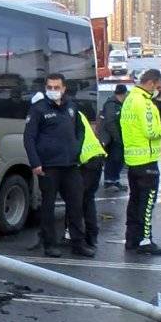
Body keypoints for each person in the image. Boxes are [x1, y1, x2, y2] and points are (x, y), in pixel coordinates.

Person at [24, 73, 94, 258]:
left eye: (56, 87)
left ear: (64, 89)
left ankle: (78, 243)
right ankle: (50, 244)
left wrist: (77, 149)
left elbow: (80, 130)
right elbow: (29, 137)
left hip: (70, 165)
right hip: (49, 166)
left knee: (76, 205)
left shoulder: (71, 106)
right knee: (48, 206)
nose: (53, 90)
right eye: (50, 87)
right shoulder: (38, 109)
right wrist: (35, 162)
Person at [120, 69, 161, 256]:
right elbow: (151, 132)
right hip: (147, 160)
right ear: (151, 83)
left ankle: (131, 239)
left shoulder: (130, 99)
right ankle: (145, 240)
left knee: (134, 201)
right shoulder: (144, 102)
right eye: (158, 86)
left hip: (133, 160)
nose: (159, 90)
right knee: (147, 203)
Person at [76, 107, 107, 251]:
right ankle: (92, 236)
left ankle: (80, 237)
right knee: (88, 199)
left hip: (87, 160)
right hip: (96, 156)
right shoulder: (77, 112)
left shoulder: (67, 115)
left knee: (79, 199)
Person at [100, 84, 128, 190]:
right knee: (114, 159)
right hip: (112, 138)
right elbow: (110, 122)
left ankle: (114, 180)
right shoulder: (111, 104)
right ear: (124, 93)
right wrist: (117, 137)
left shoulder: (119, 104)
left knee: (118, 159)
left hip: (117, 136)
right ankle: (110, 181)